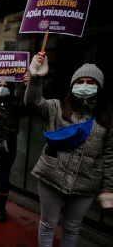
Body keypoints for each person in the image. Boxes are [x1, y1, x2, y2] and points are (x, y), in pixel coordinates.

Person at [25, 54, 113, 247]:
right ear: (72, 85)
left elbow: (108, 156)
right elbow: (33, 102)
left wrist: (107, 188)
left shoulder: (106, 119)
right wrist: (36, 77)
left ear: (99, 87)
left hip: (87, 184)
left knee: (72, 228)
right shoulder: (56, 108)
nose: (84, 85)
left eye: (90, 82)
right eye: (80, 81)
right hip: (51, 177)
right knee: (48, 225)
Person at [0, 73, 28, 222]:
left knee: (4, 179)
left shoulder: (16, 103)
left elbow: (31, 104)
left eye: (6, 86)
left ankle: (1, 207)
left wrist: (30, 86)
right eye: (0, 86)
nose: (2, 88)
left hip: (9, 144)